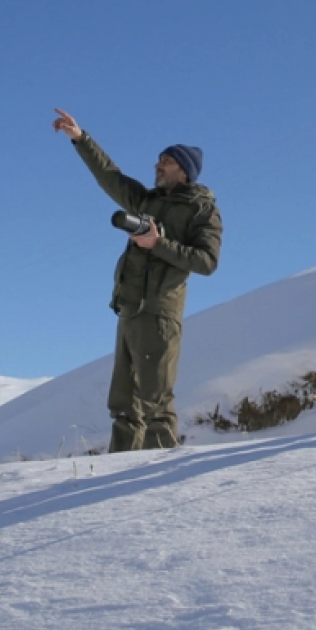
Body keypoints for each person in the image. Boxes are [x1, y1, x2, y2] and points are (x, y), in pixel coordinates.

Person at [52, 108, 222, 452]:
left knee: (155, 401)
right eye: (158, 160)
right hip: (129, 309)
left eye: (166, 162)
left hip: (160, 311)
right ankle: (115, 473)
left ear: (184, 172)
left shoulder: (202, 210)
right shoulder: (147, 201)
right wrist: (81, 139)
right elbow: (111, 176)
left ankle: (155, 478)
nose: (158, 165)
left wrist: (157, 243)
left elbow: (207, 262)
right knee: (123, 404)